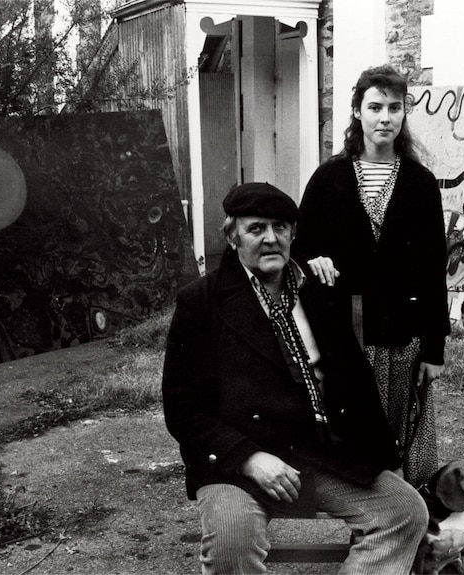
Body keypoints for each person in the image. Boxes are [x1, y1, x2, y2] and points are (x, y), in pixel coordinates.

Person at [162, 182, 428, 574]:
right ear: (232, 235)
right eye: (256, 229)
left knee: (405, 513)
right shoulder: (201, 301)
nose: (271, 239)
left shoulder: (318, 290)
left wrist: (387, 459)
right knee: (232, 546)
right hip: (239, 462)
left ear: (293, 234)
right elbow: (184, 410)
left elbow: (356, 384)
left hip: (318, 451)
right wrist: (249, 458)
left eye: (281, 227)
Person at [293, 64, 451, 489]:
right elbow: (300, 246)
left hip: (403, 332)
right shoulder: (330, 177)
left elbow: (435, 268)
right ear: (357, 112)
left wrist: (434, 348)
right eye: (375, 106)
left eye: (395, 107)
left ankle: (413, 518)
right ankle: (369, 516)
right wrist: (315, 259)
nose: (385, 117)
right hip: (349, 333)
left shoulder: (419, 183)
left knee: (404, 423)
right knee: (356, 431)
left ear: (404, 113)